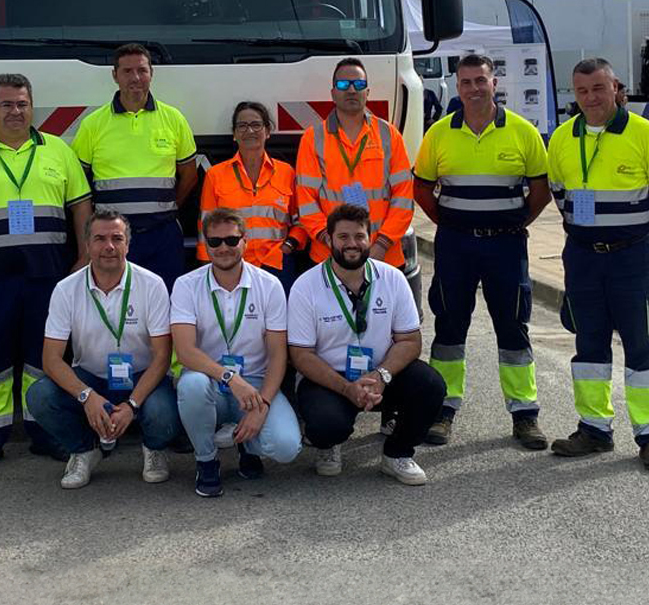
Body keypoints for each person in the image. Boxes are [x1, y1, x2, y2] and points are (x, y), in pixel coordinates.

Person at [0, 73, 92, 473]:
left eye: (22, 103)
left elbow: (81, 207)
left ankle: (44, 432)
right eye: (6, 104)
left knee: (43, 359)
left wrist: (82, 260)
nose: (15, 111)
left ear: (32, 106)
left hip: (49, 277)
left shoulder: (59, 151)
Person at [547, 57, 649, 472]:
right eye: (582, 91)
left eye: (599, 89)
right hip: (583, 259)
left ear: (616, 88)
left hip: (633, 259)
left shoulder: (646, 134)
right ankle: (594, 429)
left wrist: (631, 238)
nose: (591, 98)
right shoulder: (562, 138)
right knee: (588, 346)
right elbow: (559, 193)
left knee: (642, 346)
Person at [413, 54, 551, 450]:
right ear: (457, 87)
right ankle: (443, 410)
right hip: (455, 244)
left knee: (512, 326)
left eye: (481, 80)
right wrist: (452, 223)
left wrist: (515, 223)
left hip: (506, 245)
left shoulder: (523, 132)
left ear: (495, 83)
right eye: (466, 82)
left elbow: (539, 191)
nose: (474, 88)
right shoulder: (439, 134)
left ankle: (524, 414)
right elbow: (422, 189)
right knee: (450, 327)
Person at [287, 204, 446, 485]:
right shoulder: (306, 286)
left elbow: (410, 341)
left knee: (431, 385)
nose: (352, 244)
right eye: (343, 237)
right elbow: (301, 355)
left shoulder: (393, 278)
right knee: (327, 425)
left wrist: (380, 376)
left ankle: (397, 454)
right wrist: (347, 388)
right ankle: (328, 445)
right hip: (329, 379)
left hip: (381, 375)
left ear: (369, 238)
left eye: (359, 236)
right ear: (330, 239)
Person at [26, 208, 180, 489]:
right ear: (87, 245)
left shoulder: (152, 285)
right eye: (99, 239)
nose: (108, 247)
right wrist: (87, 397)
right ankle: (84, 450)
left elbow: (162, 356)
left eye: (117, 238)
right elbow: (51, 359)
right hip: (91, 377)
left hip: (142, 377)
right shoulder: (65, 289)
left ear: (127, 245)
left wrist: (132, 405)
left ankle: (154, 449)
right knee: (39, 396)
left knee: (163, 414)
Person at [172, 208, 301, 497]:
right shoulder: (186, 285)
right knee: (191, 385)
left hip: (255, 384)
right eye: (215, 242)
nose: (223, 248)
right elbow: (185, 351)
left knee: (286, 448)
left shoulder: (269, 286)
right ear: (205, 245)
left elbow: (279, 355)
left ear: (245, 242)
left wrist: (263, 405)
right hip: (210, 382)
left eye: (231, 240)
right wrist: (230, 377)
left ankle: (245, 444)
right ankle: (206, 460)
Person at [71, 43, 197, 290]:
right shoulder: (93, 124)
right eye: (127, 71)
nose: (136, 78)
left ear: (151, 73)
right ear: (114, 75)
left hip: (163, 234)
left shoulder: (174, 119)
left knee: (166, 300)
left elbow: (190, 176)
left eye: (142, 70)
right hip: (113, 238)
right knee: (115, 302)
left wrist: (166, 208)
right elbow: (79, 185)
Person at [294, 58, 414, 270]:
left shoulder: (389, 135)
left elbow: (404, 198)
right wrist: (331, 241)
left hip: (383, 256)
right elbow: (306, 201)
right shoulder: (313, 138)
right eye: (343, 85)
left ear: (367, 92)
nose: (351, 90)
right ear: (333, 93)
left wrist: (381, 244)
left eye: (358, 85)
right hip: (329, 256)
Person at [197, 101, 306, 294]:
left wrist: (288, 247)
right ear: (235, 133)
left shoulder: (286, 172)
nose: (250, 131)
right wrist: (208, 268)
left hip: (277, 265)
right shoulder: (215, 175)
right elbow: (206, 226)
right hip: (232, 265)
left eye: (256, 125)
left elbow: (300, 222)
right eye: (242, 126)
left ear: (267, 131)